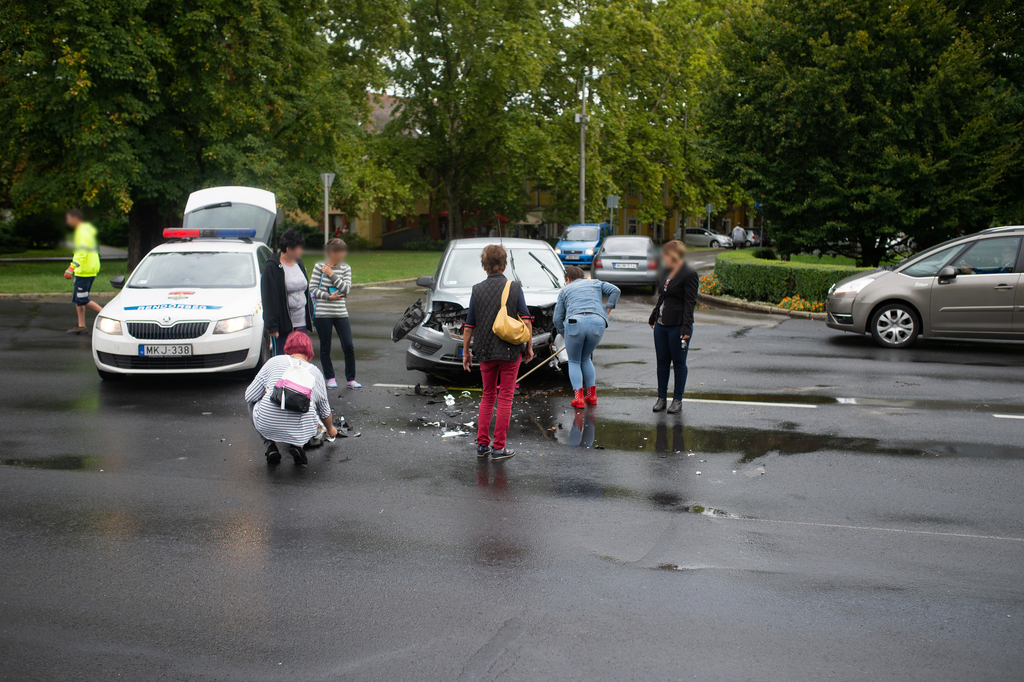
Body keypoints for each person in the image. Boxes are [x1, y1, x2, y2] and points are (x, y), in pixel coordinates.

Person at [461, 244, 534, 462]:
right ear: (504, 264)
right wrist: (529, 346)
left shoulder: (476, 289)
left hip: (484, 350)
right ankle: (499, 448)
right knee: (505, 398)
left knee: (487, 395)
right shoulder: (514, 287)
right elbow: (526, 318)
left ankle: (482, 445)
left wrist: (466, 352)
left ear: (484, 265)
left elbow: (469, 324)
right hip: (510, 350)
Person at [245, 331, 337, 465]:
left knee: (252, 403)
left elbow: (250, 396)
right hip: (302, 429)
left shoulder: (274, 361)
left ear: (288, 347)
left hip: (267, 422)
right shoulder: (315, 372)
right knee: (312, 406)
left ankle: (270, 445)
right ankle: (297, 445)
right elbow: (324, 410)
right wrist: (331, 429)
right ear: (309, 351)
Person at [553, 265, 621, 408]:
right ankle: (592, 396)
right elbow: (615, 290)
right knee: (586, 357)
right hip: (597, 323)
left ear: (567, 278)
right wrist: (607, 310)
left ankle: (578, 399)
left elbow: (557, 318)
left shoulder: (565, 290)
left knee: (574, 361)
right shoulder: (595, 283)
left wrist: (564, 333)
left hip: (574, 324)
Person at [648, 240, 698, 414]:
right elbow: (662, 296)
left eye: (666, 254)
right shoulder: (666, 271)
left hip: (678, 325)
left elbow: (690, 303)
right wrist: (654, 315)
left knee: (678, 363)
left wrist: (686, 328)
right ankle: (661, 398)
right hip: (661, 325)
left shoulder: (689, 274)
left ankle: (677, 400)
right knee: (662, 362)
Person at [309, 238, 360, 389]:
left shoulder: (345, 268)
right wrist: (327, 296)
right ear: (331, 252)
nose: (343, 254)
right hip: (323, 313)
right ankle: (330, 378)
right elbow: (312, 288)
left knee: (349, 345)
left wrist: (331, 274)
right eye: (340, 251)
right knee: (325, 346)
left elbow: (346, 289)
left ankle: (351, 379)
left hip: (341, 312)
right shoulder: (319, 267)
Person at [261, 229, 312, 355]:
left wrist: (310, 314)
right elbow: (268, 298)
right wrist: (272, 326)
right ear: (288, 249)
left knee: (301, 357)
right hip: (284, 326)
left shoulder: (298, 264)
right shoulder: (272, 267)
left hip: (301, 322)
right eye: (299, 248)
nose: (301, 251)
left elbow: (305, 290)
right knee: (284, 360)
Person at [63, 209, 102, 334]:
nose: (67, 221)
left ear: (75, 218)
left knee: (82, 299)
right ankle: (81, 325)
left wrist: (71, 268)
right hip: (85, 270)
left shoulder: (82, 232)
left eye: (68, 218)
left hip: (85, 270)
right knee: (77, 299)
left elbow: (81, 252)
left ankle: (107, 314)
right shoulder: (86, 230)